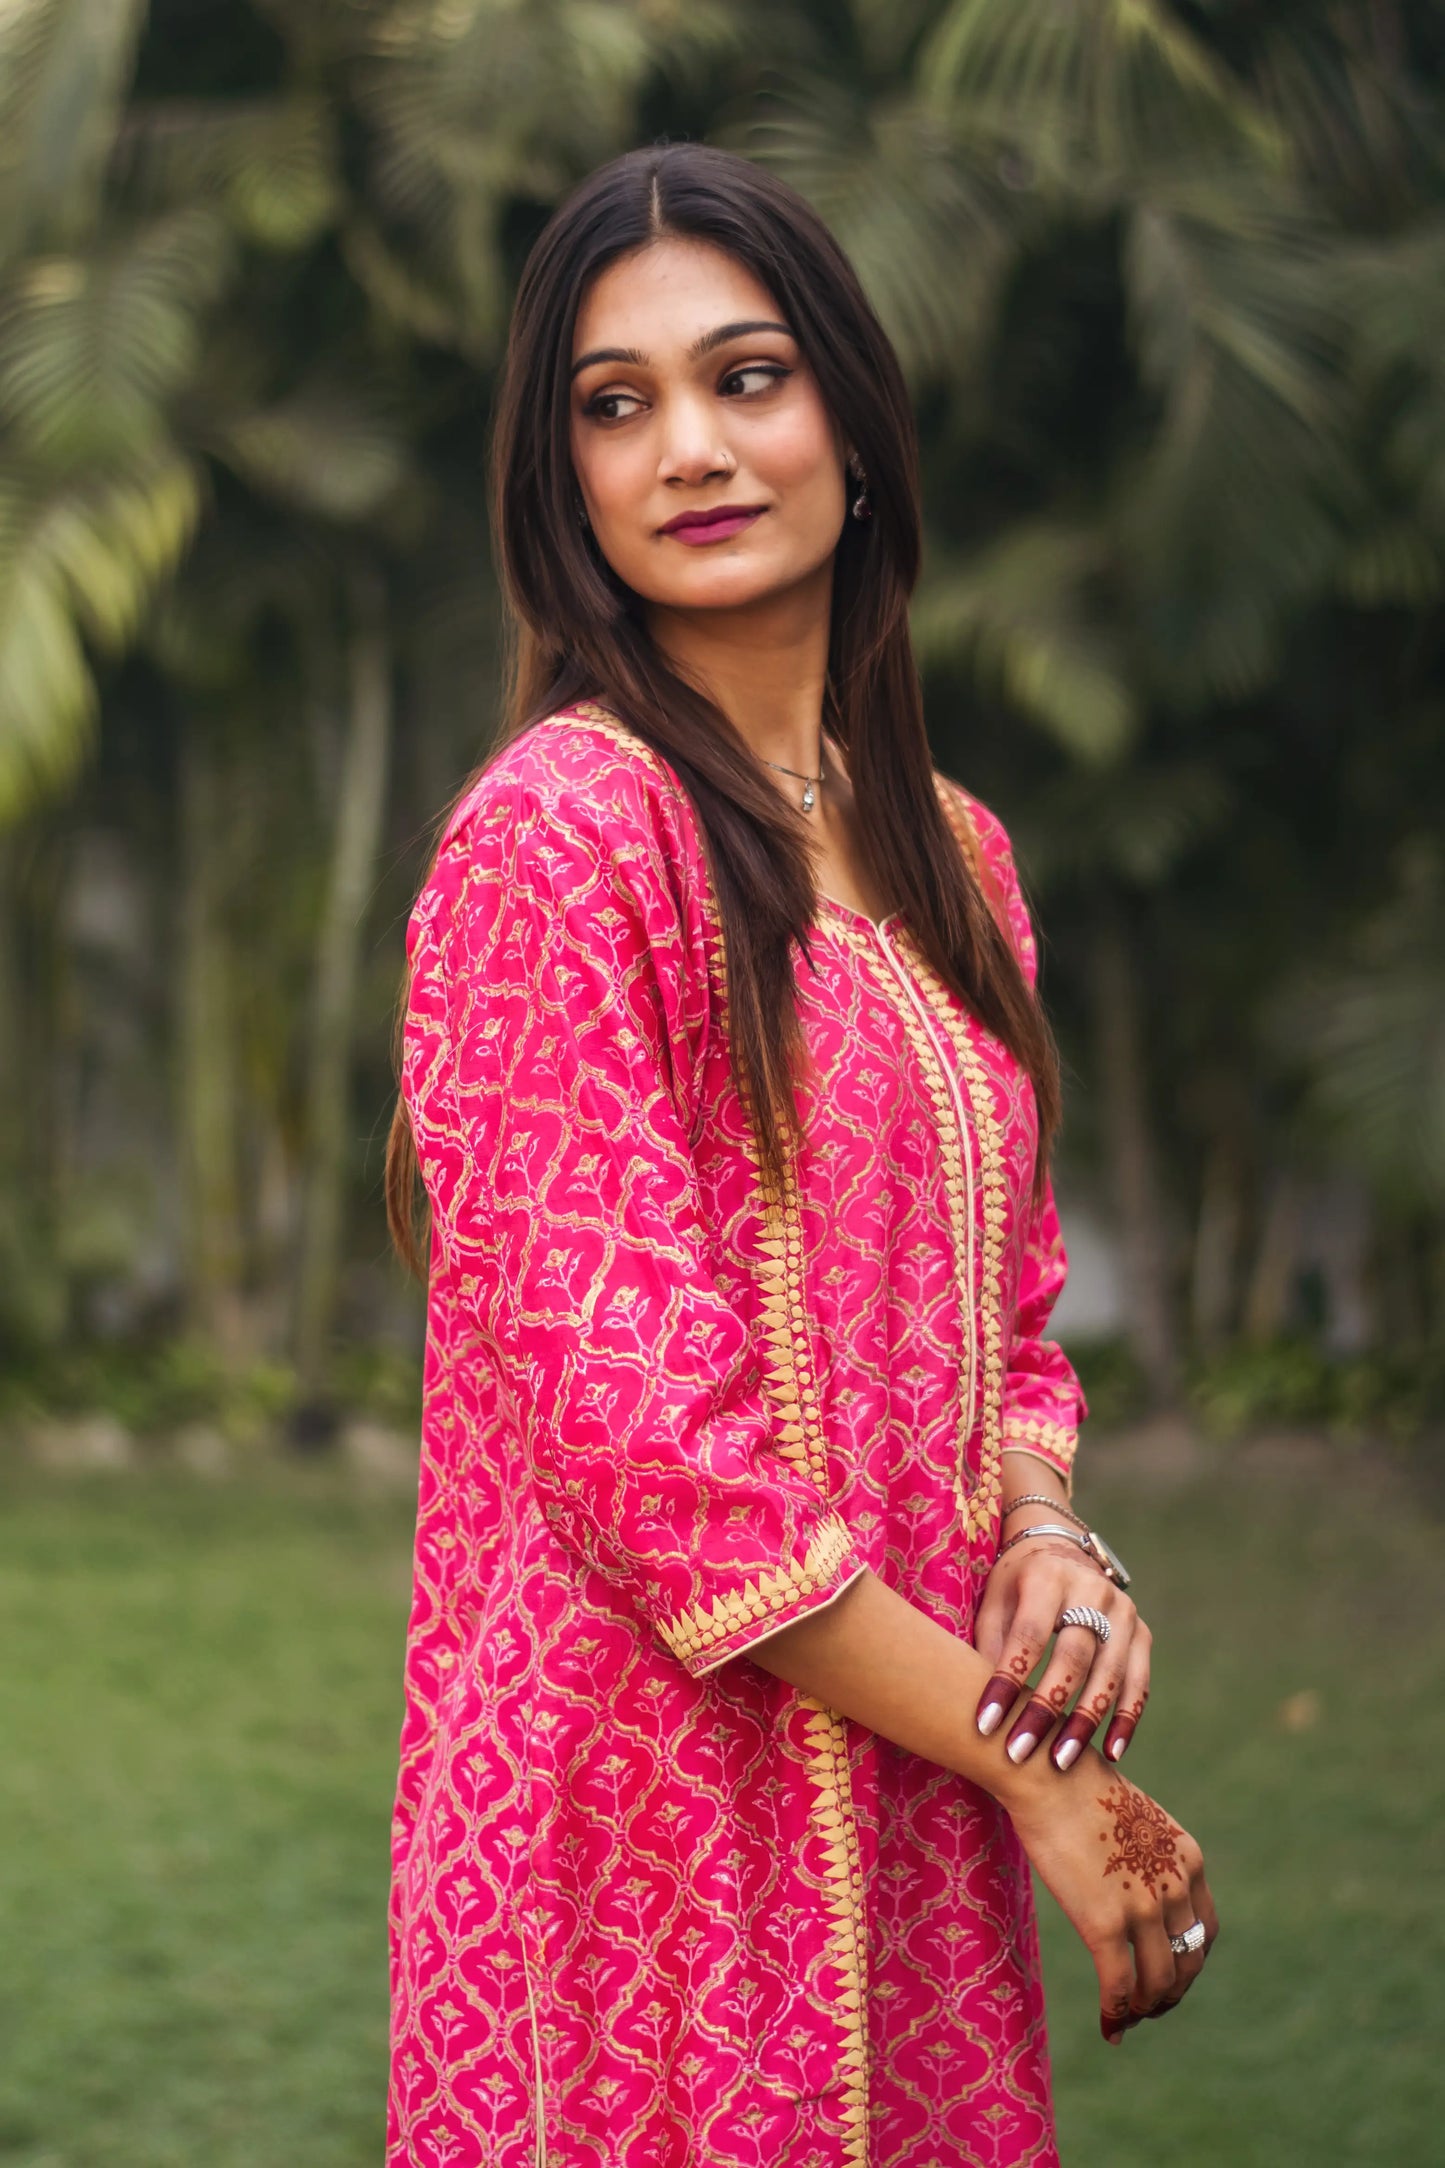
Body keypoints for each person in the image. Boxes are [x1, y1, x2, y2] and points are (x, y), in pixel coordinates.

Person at [381, 139, 1216, 2168]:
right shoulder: (560, 838)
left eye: (747, 375)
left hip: (906, 1806)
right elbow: (650, 1455)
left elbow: (1012, 1328)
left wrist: (1052, 1544)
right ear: (558, 480)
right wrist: (1036, 1771)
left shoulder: (957, 858)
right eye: (618, 402)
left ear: (853, 413)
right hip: (641, 1838)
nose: (690, 443)